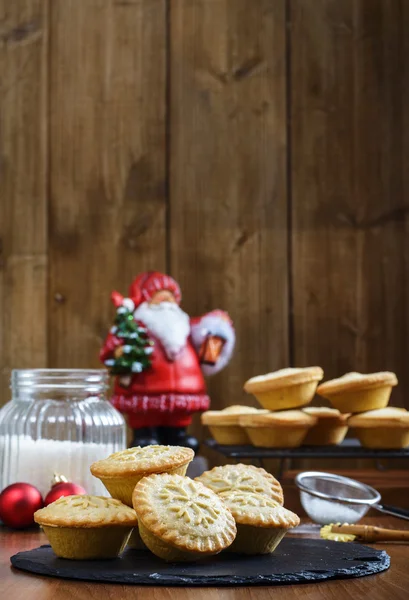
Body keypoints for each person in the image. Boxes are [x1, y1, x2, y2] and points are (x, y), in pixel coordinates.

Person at [100, 271, 235, 451]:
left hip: (184, 388)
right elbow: (110, 348)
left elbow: (207, 339)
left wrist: (216, 325)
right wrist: (118, 351)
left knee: (178, 419)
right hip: (144, 388)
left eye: (170, 297)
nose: (166, 302)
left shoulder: (185, 324)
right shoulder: (134, 327)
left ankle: (178, 436)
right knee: (145, 418)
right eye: (158, 296)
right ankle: (145, 436)